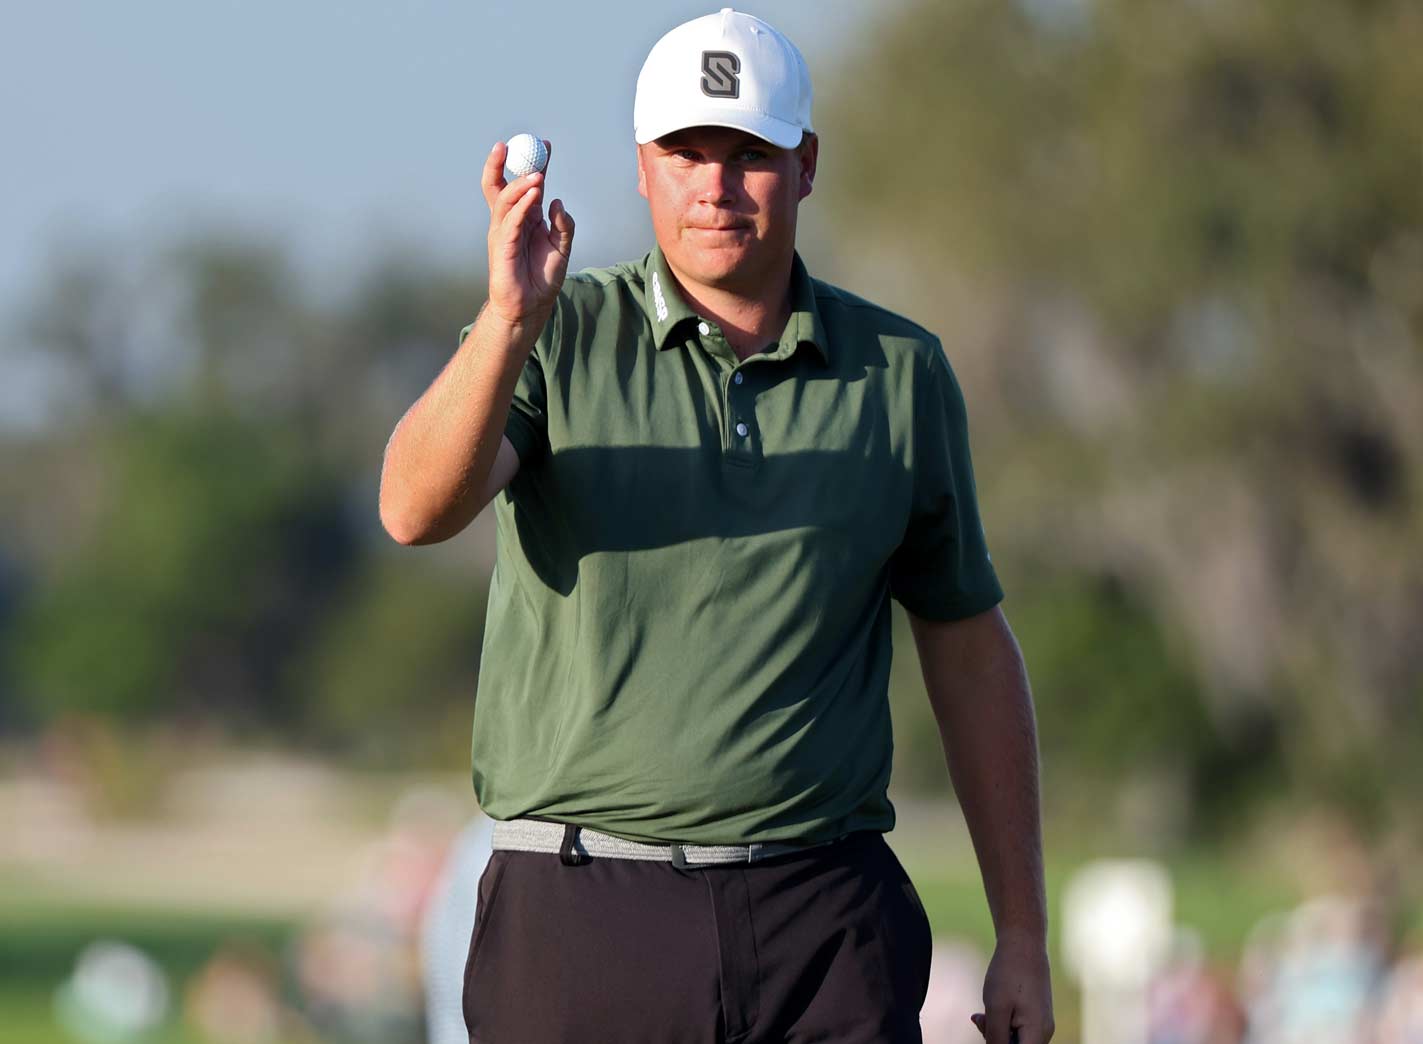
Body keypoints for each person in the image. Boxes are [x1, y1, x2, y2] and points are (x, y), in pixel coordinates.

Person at [376, 8, 1053, 1043]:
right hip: (580, 909)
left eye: (749, 155)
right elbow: (413, 510)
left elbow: (964, 642)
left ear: (806, 163)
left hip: (823, 919)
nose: (715, 186)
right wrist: (508, 322)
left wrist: (1021, 932)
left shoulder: (900, 372)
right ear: (643, 168)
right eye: (686, 153)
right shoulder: (557, 332)